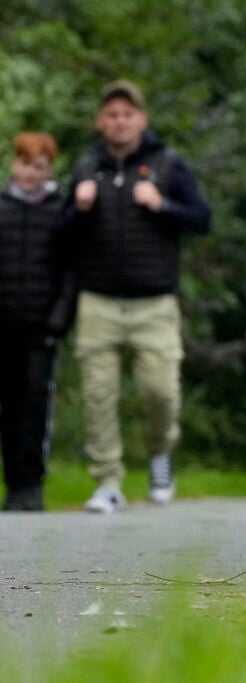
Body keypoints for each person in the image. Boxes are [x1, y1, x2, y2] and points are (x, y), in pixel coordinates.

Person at [68, 80, 212, 513]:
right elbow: (60, 235)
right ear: (101, 121)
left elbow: (202, 218)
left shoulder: (167, 164)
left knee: (160, 392)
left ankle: (160, 454)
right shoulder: (85, 168)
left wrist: (162, 204)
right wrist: (78, 208)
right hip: (98, 301)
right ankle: (108, 481)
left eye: (127, 114)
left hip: (155, 303)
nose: (120, 121)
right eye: (112, 114)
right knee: (98, 396)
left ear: (141, 120)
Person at [0, 133, 77, 511]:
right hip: (4, 325)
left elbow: (70, 271)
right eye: (25, 164)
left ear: (49, 169)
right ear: (14, 164)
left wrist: (59, 320)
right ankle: (12, 480)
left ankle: (30, 484)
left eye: (39, 166)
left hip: (41, 327)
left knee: (34, 403)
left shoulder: (61, 211)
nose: (31, 173)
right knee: (8, 404)